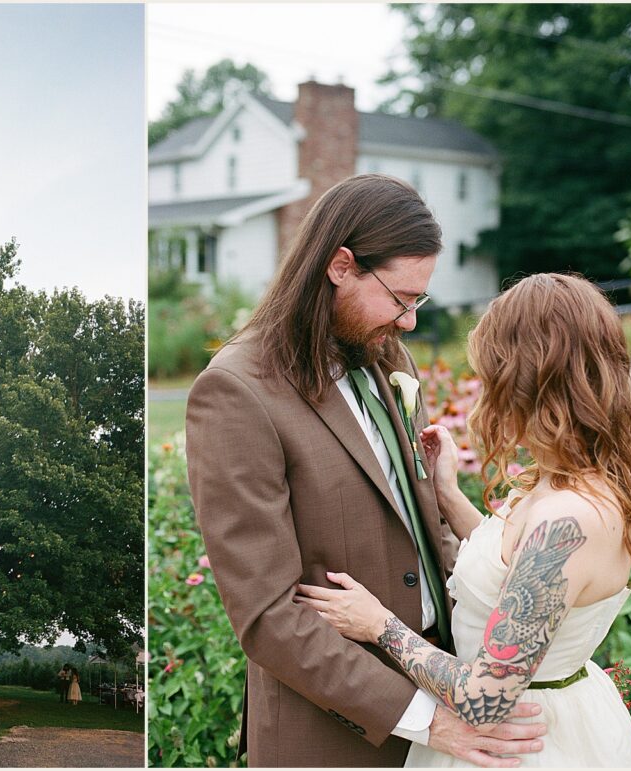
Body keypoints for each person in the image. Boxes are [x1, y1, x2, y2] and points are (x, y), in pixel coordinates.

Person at [186, 174, 546, 767]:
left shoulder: (385, 354)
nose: (408, 321)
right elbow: (267, 616)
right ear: (340, 266)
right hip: (337, 735)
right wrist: (429, 721)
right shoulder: (235, 392)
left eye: (418, 302)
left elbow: (421, 527)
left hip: (449, 691)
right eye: (401, 298)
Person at [294, 273, 631, 767]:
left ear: (526, 381)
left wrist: (379, 625)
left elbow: (487, 699)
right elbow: (513, 571)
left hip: (525, 744)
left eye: (492, 376)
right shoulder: (567, 477)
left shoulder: (570, 521)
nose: (486, 394)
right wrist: (448, 495)